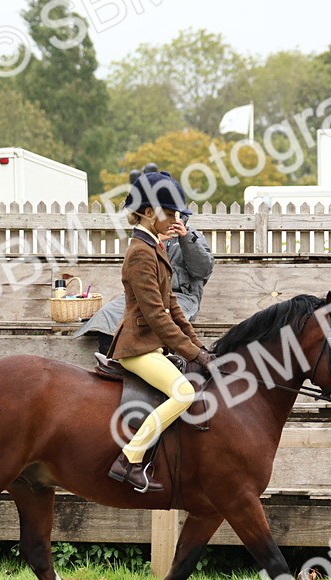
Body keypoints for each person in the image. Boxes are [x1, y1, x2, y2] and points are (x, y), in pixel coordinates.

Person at [105, 170, 214, 493]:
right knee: (184, 393)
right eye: (171, 213)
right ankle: (129, 460)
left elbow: (174, 307)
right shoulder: (140, 252)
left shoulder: (155, 247)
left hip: (151, 346)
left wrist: (201, 347)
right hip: (137, 347)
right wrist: (193, 354)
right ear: (150, 213)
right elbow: (156, 316)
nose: (177, 219)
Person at [77, 164, 215, 355]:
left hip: (181, 297)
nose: (171, 220)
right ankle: (110, 361)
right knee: (108, 314)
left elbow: (203, 270)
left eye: (174, 215)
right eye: (168, 215)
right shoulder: (145, 241)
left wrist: (185, 239)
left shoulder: (192, 236)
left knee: (165, 317)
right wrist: (156, 242)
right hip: (149, 296)